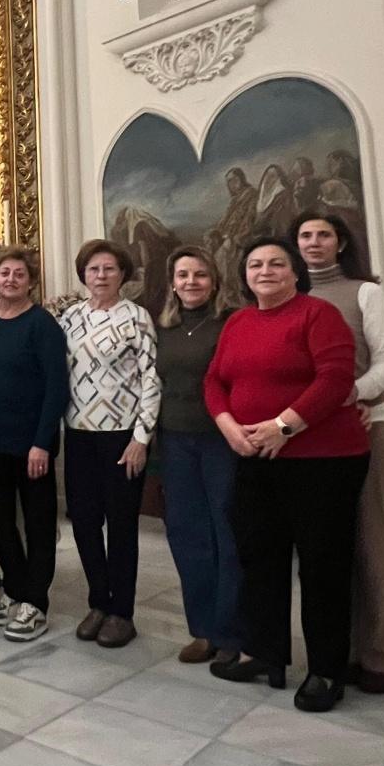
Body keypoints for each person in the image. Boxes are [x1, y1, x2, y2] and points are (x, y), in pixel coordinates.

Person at [206, 236, 371, 713]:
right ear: (245, 275)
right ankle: (266, 653)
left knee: (321, 566)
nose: (265, 271)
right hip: (253, 456)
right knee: (259, 558)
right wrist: (228, 426)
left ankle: (326, 670)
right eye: (255, 264)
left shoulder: (318, 315)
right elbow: (215, 380)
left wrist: (284, 426)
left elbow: (335, 378)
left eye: (277, 263)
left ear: (295, 272)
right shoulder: (238, 321)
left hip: (323, 460)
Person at [294, 212, 384, 693]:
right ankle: (343, 652)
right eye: (305, 236)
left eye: (324, 235)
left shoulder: (365, 292)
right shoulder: (291, 298)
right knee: (328, 553)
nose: (314, 243)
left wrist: (348, 396)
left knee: (372, 546)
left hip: (365, 426)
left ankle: (378, 656)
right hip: (312, 441)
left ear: (340, 243)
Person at [58, 239, 161, 649]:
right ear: (83, 274)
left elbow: (152, 378)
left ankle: (123, 612)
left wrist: (141, 438)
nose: (101, 276)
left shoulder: (136, 317)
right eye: (94, 269)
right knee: (82, 522)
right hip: (79, 433)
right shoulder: (69, 318)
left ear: (123, 274)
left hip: (122, 435)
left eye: (109, 269)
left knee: (120, 526)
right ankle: (98, 601)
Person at [0, 247, 67, 642]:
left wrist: (42, 443)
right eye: (5, 273)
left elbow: (56, 388)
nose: (11, 279)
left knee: (39, 524)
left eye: (19, 274)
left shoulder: (42, 325)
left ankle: (35, 602)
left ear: (31, 281)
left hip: (31, 444)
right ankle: (13, 589)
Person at [154, 246, 241, 666]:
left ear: (215, 280)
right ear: (172, 283)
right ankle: (202, 629)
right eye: (183, 275)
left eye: (200, 275)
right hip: (175, 441)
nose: (191, 282)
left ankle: (230, 632)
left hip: (221, 441)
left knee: (227, 533)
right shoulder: (163, 326)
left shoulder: (231, 324)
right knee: (187, 535)